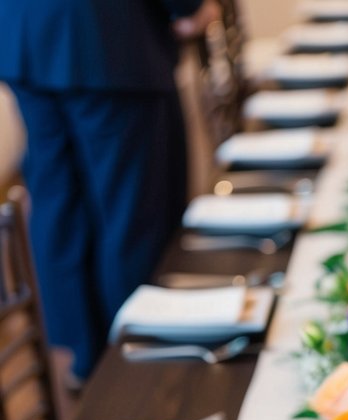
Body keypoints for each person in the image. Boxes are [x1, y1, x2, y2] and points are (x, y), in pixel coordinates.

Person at [0, 0, 221, 384]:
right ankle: (137, 359)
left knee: (59, 199)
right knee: (128, 209)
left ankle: (87, 358)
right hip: (105, 37)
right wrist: (188, 6)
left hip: (24, 31)